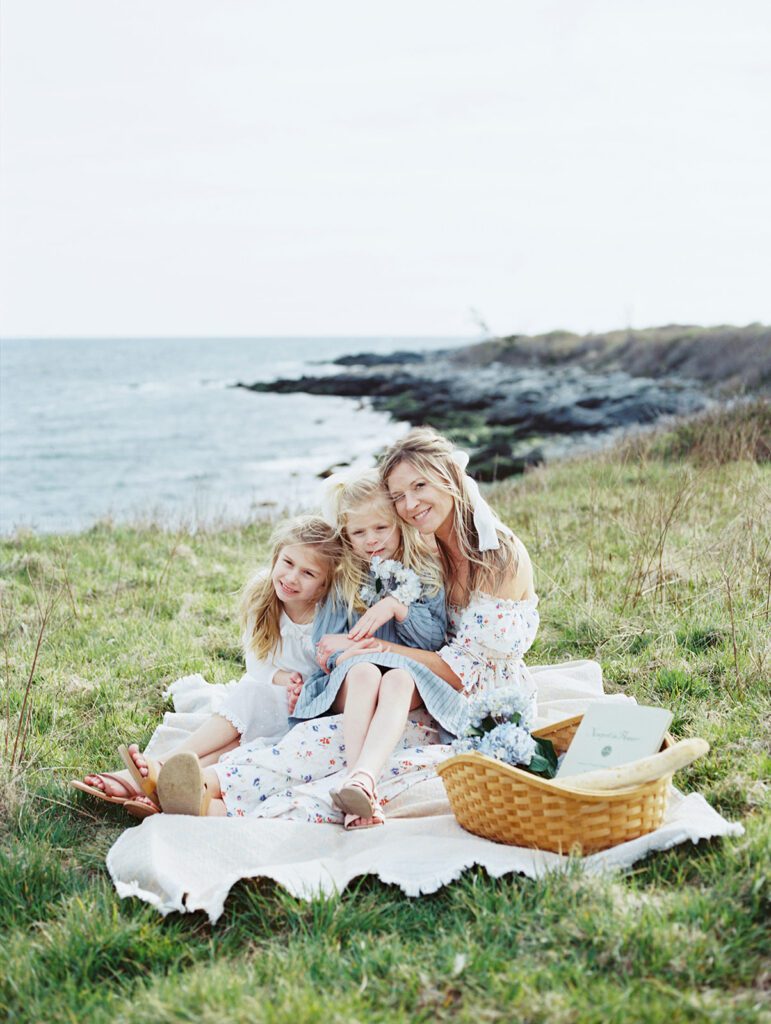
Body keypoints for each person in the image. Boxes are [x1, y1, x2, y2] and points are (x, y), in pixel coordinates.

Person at [153, 427, 543, 825]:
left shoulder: (497, 556)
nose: (409, 504)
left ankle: (215, 801)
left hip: (478, 705)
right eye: (399, 496)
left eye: (420, 485)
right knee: (320, 738)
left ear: (450, 477)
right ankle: (194, 784)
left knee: (339, 745)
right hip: (419, 691)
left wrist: (376, 646)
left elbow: (460, 669)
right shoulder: (425, 544)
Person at [71, 516, 342, 815]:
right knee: (242, 720)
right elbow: (257, 662)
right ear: (276, 556)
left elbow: (335, 673)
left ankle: (163, 770)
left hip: (304, 710)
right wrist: (282, 678)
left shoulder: (325, 618)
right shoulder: (263, 597)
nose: (292, 578)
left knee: (245, 724)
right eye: (288, 563)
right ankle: (165, 774)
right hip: (270, 693)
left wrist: (301, 686)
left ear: (323, 585)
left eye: (307, 573)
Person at [290, 469, 467, 828]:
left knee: (398, 678)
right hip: (353, 681)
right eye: (359, 532)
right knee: (367, 671)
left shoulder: (425, 572)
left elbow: (435, 640)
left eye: (380, 528)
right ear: (347, 536)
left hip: (410, 676)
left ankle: (363, 780)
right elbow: (325, 649)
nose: (371, 540)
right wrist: (350, 654)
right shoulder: (345, 581)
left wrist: (397, 607)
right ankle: (358, 781)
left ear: (398, 525)